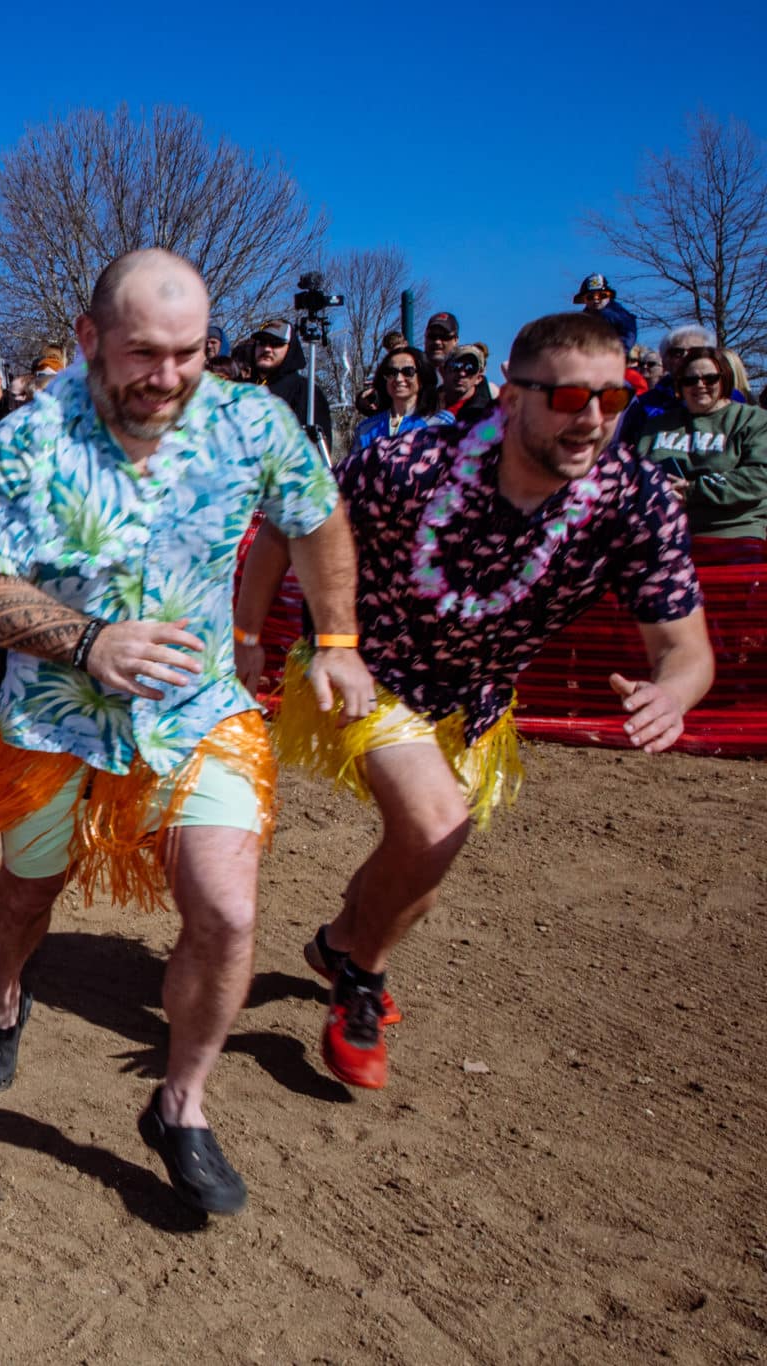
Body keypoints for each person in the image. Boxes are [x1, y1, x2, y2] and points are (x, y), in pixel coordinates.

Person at [0, 249, 372, 1216]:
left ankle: (182, 1103)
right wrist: (88, 641)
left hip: (198, 715)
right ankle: (4, 996)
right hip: (54, 727)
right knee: (23, 896)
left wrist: (335, 638)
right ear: (89, 341)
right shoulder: (25, 444)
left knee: (229, 913)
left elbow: (318, 518)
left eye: (188, 352)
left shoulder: (253, 422)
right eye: (141, 354)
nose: (166, 376)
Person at [237, 311, 715, 1094]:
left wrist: (673, 691)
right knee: (434, 827)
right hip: (366, 670)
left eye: (615, 395)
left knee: (418, 875)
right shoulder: (405, 463)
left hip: (477, 705)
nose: (591, 418)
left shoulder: (635, 500)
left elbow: (685, 648)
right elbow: (288, 527)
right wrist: (251, 630)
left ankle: (339, 943)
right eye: (566, 396)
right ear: (509, 401)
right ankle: (361, 980)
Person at [632, 346, 767, 547]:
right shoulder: (656, 426)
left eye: (710, 378)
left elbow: (759, 476)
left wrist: (692, 490)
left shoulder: (752, 420)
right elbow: (636, 473)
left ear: (725, 379)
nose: (700, 385)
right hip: (663, 533)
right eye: (690, 380)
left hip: (732, 533)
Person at [248, 318, 333, 450]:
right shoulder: (242, 388)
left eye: (276, 343)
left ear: (290, 349)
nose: (267, 349)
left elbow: (319, 452)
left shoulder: (306, 391)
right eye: (262, 343)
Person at [353, 345, 451, 452]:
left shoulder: (440, 422)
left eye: (408, 372)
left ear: (422, 378)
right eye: (391, 372)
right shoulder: (366, 429)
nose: (399, 379)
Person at [574, 272, 638, 354]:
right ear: (584, 300)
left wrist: (616, 352)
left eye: (602, 295)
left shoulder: (618, 315)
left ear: (609, 296)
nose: (596, 300)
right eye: (590, 297)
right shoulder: (581, 320)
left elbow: (628, 334)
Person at [440, 344, 493, 424]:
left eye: (470, 368)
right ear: (443, 372)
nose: (462, 373)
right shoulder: (426, 406)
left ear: (479, 378)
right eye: (456, 365)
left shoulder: (487, 414)